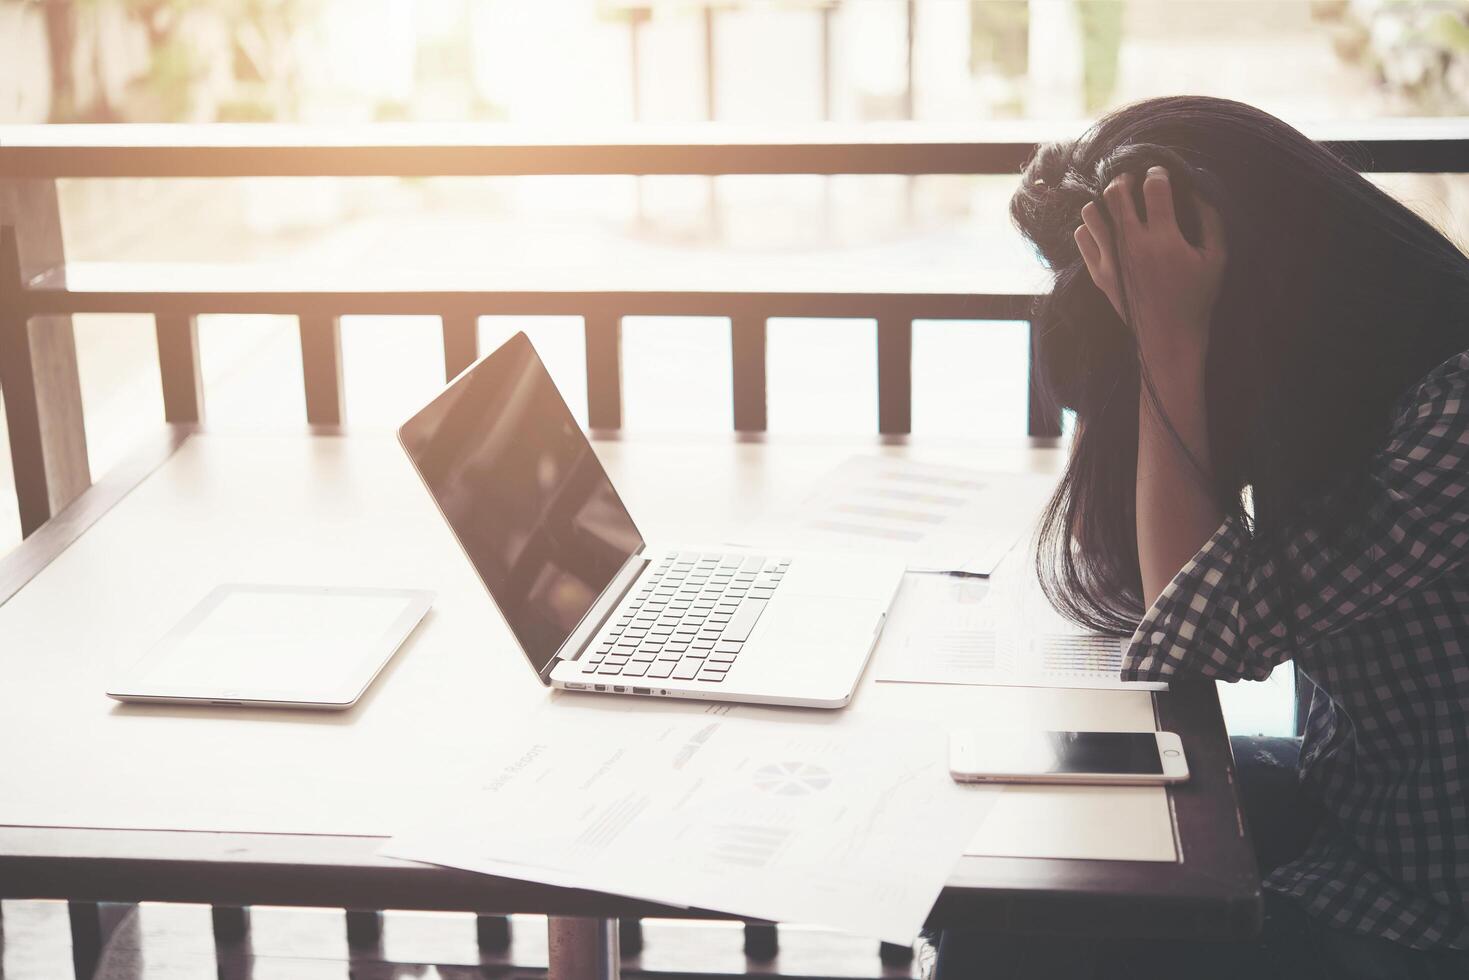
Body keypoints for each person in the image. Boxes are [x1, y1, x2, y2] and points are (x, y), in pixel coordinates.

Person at [934, 96, 1469, 979]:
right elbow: (1151, 597)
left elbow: (1190, 633)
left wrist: (1167, 337)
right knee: (1014, 839)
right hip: (1354, 812)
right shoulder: (1354, 389)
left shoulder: (1453, 411)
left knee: (1008, 936)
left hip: (1419, 914)